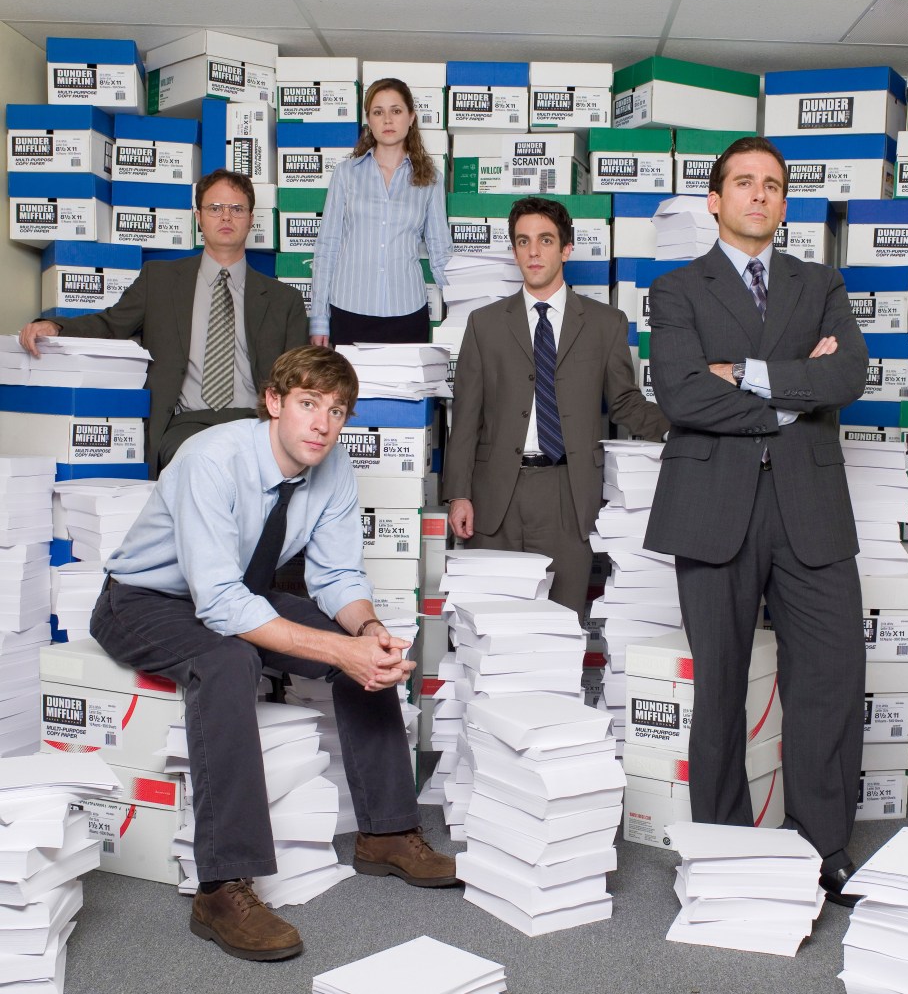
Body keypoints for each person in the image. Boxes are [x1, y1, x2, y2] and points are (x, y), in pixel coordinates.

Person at [89, 345, 458, 962]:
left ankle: (389, 831)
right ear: (274, 403)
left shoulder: (332, 465)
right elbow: (220, 606)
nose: (323, 423)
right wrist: (341, 649)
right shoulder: (210, 458)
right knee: (231, 660)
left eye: (337, 411)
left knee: (362, 655)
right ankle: (222, 887)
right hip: (144, 601)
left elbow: (338, 577)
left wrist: (365, 631)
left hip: (238, 594)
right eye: (309, 404)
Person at [644, 136, 868, 907]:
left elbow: (847, 375)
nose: (758, 195)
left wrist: (743, 372)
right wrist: (796, 390)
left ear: (782, 202)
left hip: (810, 508)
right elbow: (679, 396)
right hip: (712, 508)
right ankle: (723, 846)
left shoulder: (821, 282)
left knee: (829, 680)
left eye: (771, 185)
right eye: (743, 182)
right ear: (714, 199)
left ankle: (822, 846)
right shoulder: (676, 288)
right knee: (720, 688)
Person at [443, 197, 669, 614]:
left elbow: (624, 402)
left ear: (566, 249)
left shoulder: (606, 323)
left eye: (545, 240)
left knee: (563, 625)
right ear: (513, 251)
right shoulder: (485, 324)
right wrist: (459, 494)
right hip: (496, 497)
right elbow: (467, 414)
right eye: (523, 241)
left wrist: (679, 428)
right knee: (493, 625)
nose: (533, 252)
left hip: (570, 493)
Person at [18, 168, 307, 477]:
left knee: (259, 466)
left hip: (255, 421)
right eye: (215, 208)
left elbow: (298, 383)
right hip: (186, 424)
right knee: (207, 466)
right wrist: (57, 327)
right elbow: (111, 324)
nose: (226, 217)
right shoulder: (159, 280)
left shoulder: (284, 300)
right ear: (198, 217)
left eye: (237, 209)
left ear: (251, 219)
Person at [309, 77, 452, 347]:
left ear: (411, 117)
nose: (387, 120)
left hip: (407, 313)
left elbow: (440, 250)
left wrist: (464, 308)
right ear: (369, 121)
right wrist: (319, 318)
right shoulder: (345, 174)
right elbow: (327, 247)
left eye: (396, 111)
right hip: (348, 311)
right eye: (378, 112)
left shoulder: (430, 178)